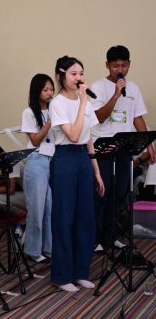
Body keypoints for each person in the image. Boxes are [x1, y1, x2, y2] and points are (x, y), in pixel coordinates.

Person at [90, 45, 155, 249]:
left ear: (129, 64)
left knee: (120, 193)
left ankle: (111, 236)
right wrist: (116, 95)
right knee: (102, 193)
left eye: (124, 65)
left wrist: (149, 146)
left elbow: (137, 118)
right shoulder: (98, 87)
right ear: (107, 65)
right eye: (115, 66)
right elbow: (99, 117)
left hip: (125, 149)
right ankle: (96, 239)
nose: (120, 70)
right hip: (104, 150)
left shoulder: (133, 88)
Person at [49, 55, 105, 293]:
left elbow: (88, 138)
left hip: (83, 158)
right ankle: (62, 276)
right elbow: (72, 135)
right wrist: (82, 103)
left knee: (85, 218)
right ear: (61, 75)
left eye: (81, 73)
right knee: (64, 218)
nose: (79, 78)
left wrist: (97, 171)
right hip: (65, 158)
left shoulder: (85, 102)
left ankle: (81, 271)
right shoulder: (57, 103)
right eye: (73, 74)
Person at [21, 74, 54, 264]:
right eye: (45, 89)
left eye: (51, 89)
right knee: (36, 208)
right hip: (36, 159)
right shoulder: (29, 112)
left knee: (50, 207)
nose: (50, 93)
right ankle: (33, 250)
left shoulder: (55, 109)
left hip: (52, 160)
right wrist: (50, 122)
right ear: (37, 91)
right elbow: (34, 140)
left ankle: (48, 248)